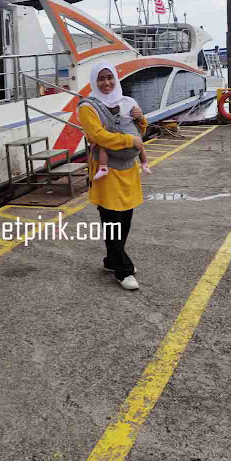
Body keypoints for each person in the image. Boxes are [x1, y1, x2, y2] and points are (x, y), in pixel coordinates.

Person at [77, 61, 148, 290]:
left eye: (110, 78)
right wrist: (130, 141)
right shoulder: (87, 107)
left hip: (128, 168)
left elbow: (139, 133)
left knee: (125, 217)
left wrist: (141, 118)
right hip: (106, 171)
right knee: (112, 220)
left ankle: (111, 259)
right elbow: (98, 136)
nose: (106, 83)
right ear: (94, 81)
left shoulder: (127, 102)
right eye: (101, 78)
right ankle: (122, 270)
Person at [93, 100, 151, 180]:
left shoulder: (127, 109)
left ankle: (144, 164)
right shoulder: (93, 108)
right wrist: (130, 140)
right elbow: (96, 136)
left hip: (130, 167)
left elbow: (141, 130)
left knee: (141, 146)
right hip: (111, 170)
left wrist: (140, 117)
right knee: (102, 147)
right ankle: (144, 164)